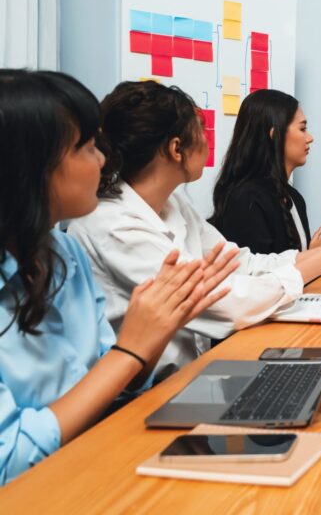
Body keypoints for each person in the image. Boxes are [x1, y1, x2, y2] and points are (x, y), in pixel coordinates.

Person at [0, 69, 237, 484]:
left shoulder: (65, 253)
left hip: (105, 457)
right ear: (31, 166)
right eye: (88, 147)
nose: (103, 161)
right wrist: (130, 350)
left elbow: (111, 390)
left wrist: (153, 334)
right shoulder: (100, 229)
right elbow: (10, 463)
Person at [69, 81, 321, 380]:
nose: (208, 141)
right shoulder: (113, 224)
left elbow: (243, 263)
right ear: (176, 148)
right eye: (201, 130)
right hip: (140, 393)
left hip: (188, 375)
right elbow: (226, 303)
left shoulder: (173, 204)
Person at [210, 89, 321, 254]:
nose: (310, 138)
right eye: (302, 129)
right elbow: (262, 273)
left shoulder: (293, 197)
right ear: (275, 135)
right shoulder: (246, 199)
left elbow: (296, 264)